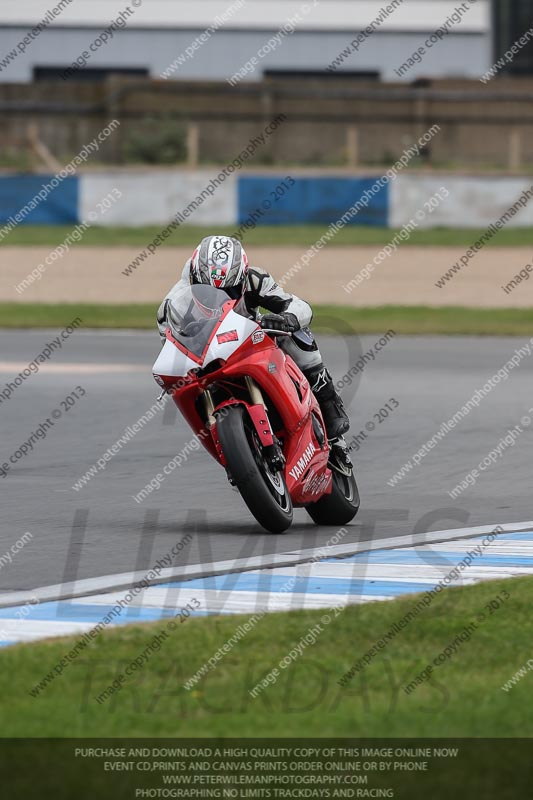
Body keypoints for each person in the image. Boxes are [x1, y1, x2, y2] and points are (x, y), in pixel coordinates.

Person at [157, 235, 350, 464]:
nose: (219, 297)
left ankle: (330, 409)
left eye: (230, 290)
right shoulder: (173, 304)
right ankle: (233, 454)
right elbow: (171, 348)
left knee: (298, 334)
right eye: (207, 290)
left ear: (241, 277)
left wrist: (287, 319)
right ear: (194, 278)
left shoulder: (255, 279)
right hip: (210, 359)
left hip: (252, 344)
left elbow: (300, 306)